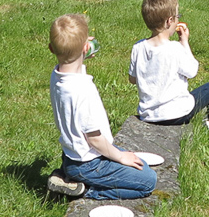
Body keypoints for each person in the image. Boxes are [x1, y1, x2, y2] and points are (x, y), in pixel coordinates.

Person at [47, 12, 157, 200]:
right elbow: (94, 139)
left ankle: (65, 175)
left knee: (139, 163)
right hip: (90, 164)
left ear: (51, 49)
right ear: (85, 47)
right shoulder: (83, 90)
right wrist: (121, 157)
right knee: (148, 180)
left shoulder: (58, 76)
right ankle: (84, 190)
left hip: (72, 157)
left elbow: (72, 64)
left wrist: (80, 52)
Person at [129, 0, 209, 145]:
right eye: (177, 16)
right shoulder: (174, 48)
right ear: (169, 21)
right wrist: (185, 42)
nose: (178, 20)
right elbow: (192, 71)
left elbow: (132, 79)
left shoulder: (138, 47)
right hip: (176, 114)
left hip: (149, 114)